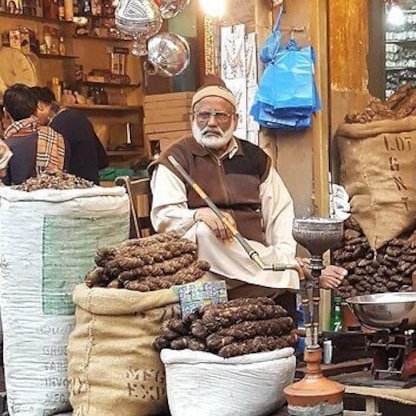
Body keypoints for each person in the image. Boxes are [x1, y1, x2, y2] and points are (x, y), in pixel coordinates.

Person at [149, 82, 346, 298]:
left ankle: (282, 266)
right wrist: (198, 215)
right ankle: (296, 270)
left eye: (220, 115)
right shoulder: (175, 158)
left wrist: (283, 252)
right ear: (192, 119)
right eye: (203, 115)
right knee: (204, 232)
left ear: (235, 120)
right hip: (206, 265)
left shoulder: (255, 158)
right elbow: (164, 218)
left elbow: (279, 211)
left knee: (278, 232)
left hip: (251, 254)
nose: (212, 122)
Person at [31, 87, 108, 183]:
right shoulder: (78, 116)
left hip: (74, 191)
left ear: (40, 106)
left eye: (31, 113)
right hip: (92, 187)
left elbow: (51, 172)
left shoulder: (54, 128)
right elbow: (102, 161)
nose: (32, 119)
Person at [2, 84, 66, 185]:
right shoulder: (58, 139)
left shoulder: (6, 147)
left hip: (19, 200)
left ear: (5, 112)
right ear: (35, 108)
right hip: (56, 198)